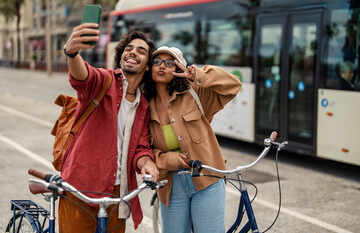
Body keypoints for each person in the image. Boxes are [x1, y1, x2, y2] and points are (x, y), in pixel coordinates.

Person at [59, 23, 159, 232]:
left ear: (148, 65)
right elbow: (83, 75)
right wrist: (72, 52)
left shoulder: (143, 105)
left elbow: (140, 148)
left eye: (141, 51)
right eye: (128, 49)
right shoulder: (104, 81)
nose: (133, 52)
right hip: (82, 184)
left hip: (118, 191)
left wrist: (147, 163)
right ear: (121, 56)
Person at [142, 46, 242, 233]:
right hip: (171, 186)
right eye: (157, 62)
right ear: (150, 68)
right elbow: (142, 151)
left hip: (207, 180)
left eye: (169, 63)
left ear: (179, 69)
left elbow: (233, 85)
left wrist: (198, 75)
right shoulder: (143, 106)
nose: (162, 66)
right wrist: (169, 160)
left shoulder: (195, 94)